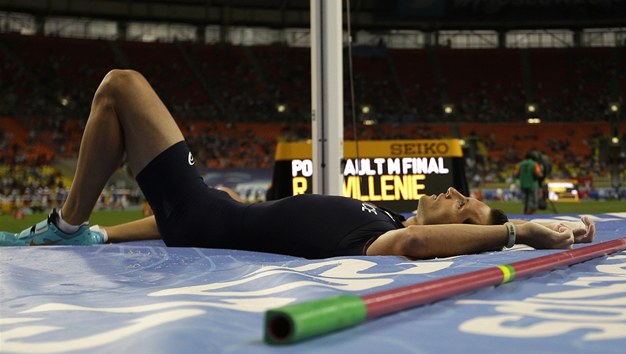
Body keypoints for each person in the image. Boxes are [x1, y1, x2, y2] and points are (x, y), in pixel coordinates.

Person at [0, 70, 596, 259]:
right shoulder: (385, 211)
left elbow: (412, 249)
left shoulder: (386, 236)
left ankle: (68, 226)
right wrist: (113, 235)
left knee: (121, 86)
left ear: (457, 231)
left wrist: (518, 231)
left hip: (201, 217)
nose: (458, 194)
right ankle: (89, 234)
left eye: (465, 207)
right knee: (232, 200)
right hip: (208, 214)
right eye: (467, 197)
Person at [514, 150, 544, 214]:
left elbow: (516, 174)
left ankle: (524, 215)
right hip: (533, 185)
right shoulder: (535, 164)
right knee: (533, 202)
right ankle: (529, 215)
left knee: (525, 202)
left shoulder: (519, 164)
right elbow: (538, 174)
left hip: (523, 185)